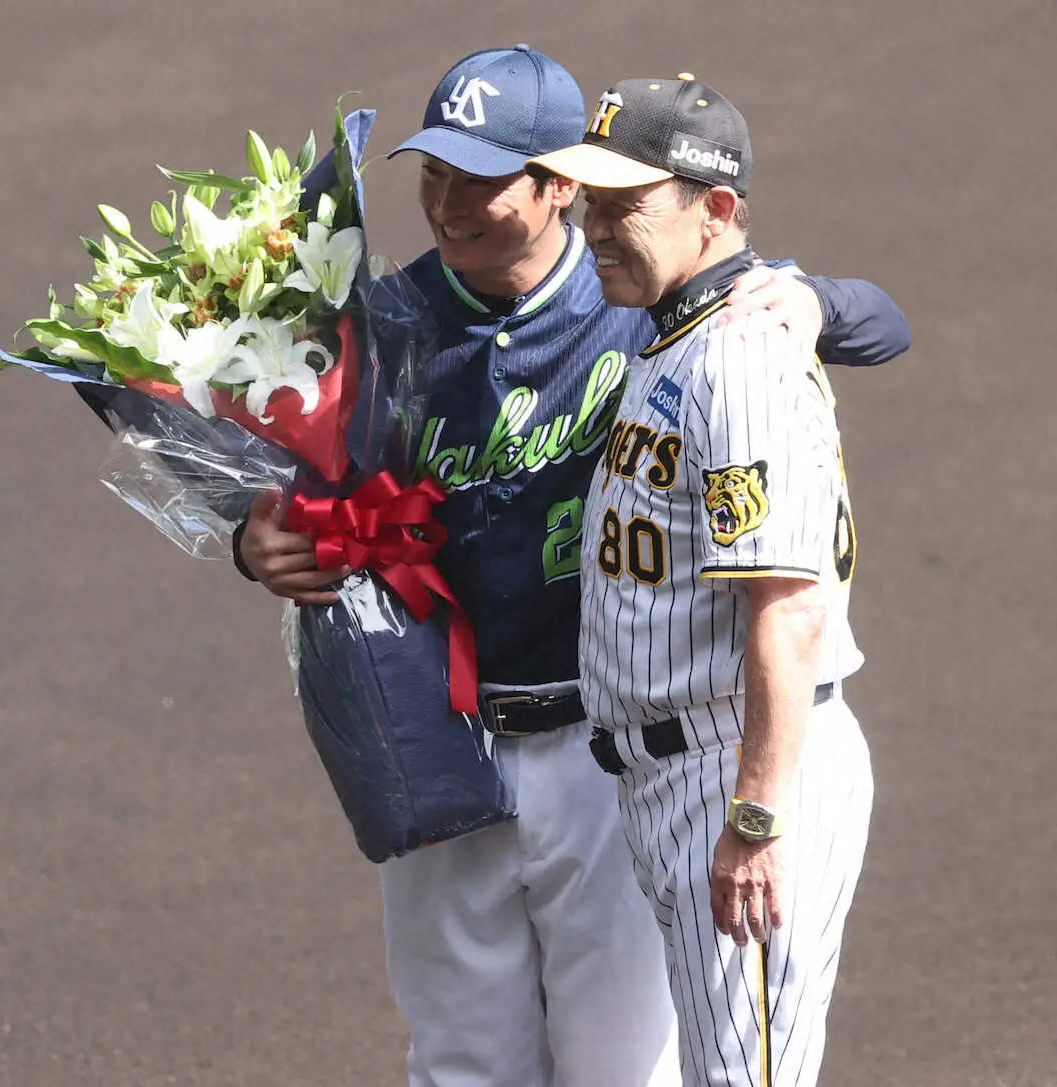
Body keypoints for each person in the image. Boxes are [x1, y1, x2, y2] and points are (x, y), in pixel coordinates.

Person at [237, 48, 909, 1087]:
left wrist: (814, 299)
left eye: (482, 179)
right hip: (443, 742)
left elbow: (880, 322)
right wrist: (254, 537)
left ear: (560, 184)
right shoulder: (389, 327)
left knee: (626, 1065)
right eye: (433, 174)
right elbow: (298, 482)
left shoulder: (644, 295)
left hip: (609, 751)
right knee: (462, 1063)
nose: (449, 205)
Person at [530, 73, 881, 1086]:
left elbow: (789, 606)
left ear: (716, 209)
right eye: (588, 203)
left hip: (741, 766)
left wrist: (757, 817)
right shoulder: (674, 338)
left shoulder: (735, 358)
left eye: (623, 206)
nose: (594, 229)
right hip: (684, 770)